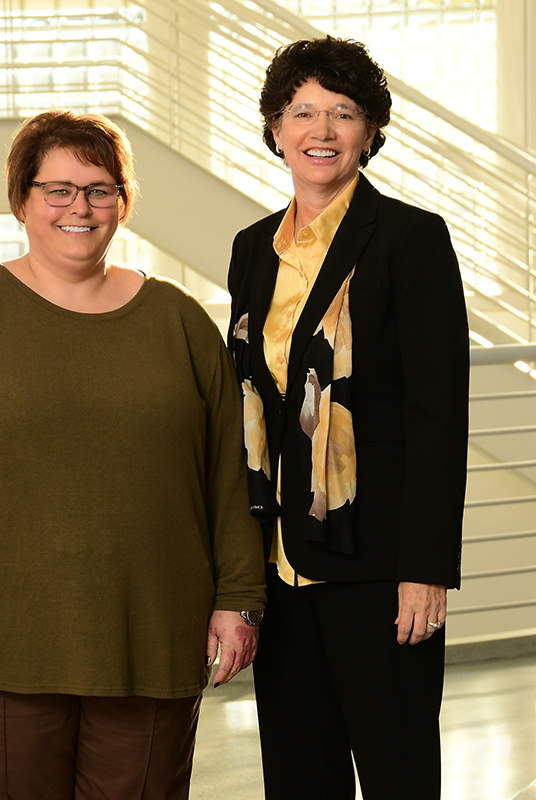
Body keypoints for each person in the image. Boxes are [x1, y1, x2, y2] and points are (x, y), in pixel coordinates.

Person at [0, 109, 266, 800]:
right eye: (57, 189)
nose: (79, 207)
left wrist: (239, 598)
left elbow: (225, 474)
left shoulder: (178, 321)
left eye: (99, 188)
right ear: (22, 199)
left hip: (151, 634)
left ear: (123, 200)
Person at [226, 37, 469, 799]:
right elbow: (250, 404)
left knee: (397, 773)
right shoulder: (250, 249)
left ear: (370, 131)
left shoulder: (409, 239)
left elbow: (439, 413)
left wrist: (425, 570)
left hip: (378, 565)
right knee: (299, 776)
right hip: (281, 566)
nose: (321, 129)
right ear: (275, 128)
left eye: (343, 111)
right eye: (302, 110)